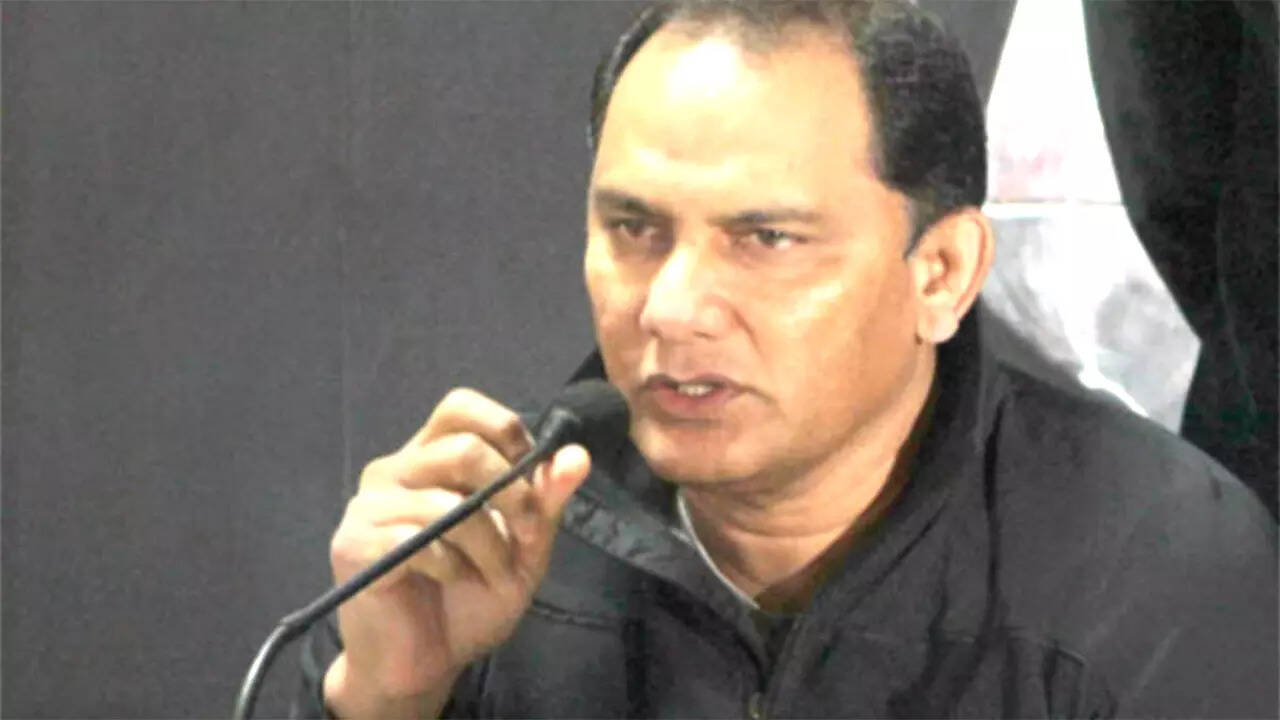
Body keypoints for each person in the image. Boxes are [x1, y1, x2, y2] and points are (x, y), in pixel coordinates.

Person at [294, 2, 1277, 717]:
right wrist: (384, 698)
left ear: (939, 273)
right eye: (633, 229)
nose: (670, 309)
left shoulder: (1154, 573)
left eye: (765, 239)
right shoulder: (479, 545)